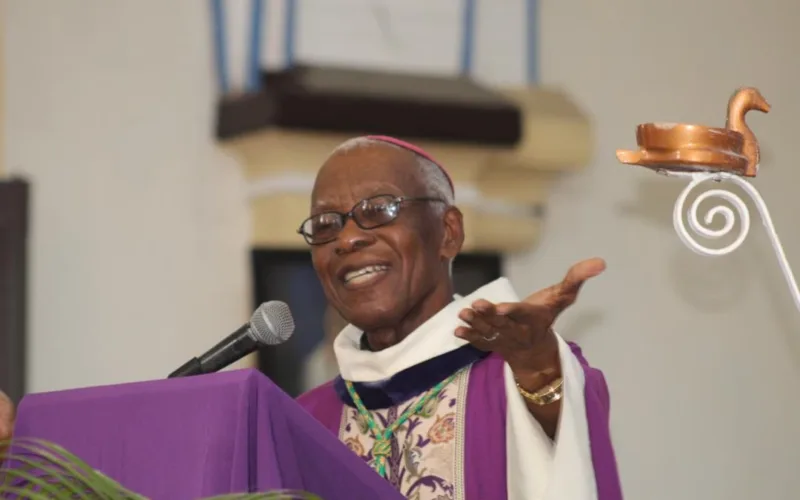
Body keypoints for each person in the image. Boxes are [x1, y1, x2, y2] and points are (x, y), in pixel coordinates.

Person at [296, 135, 622, 500]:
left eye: (379, 209)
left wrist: (538, 368)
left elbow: (574, 440)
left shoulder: (518, 376)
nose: (347, 239)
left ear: (448, 233)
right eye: (325, 224)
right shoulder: (305, 422)